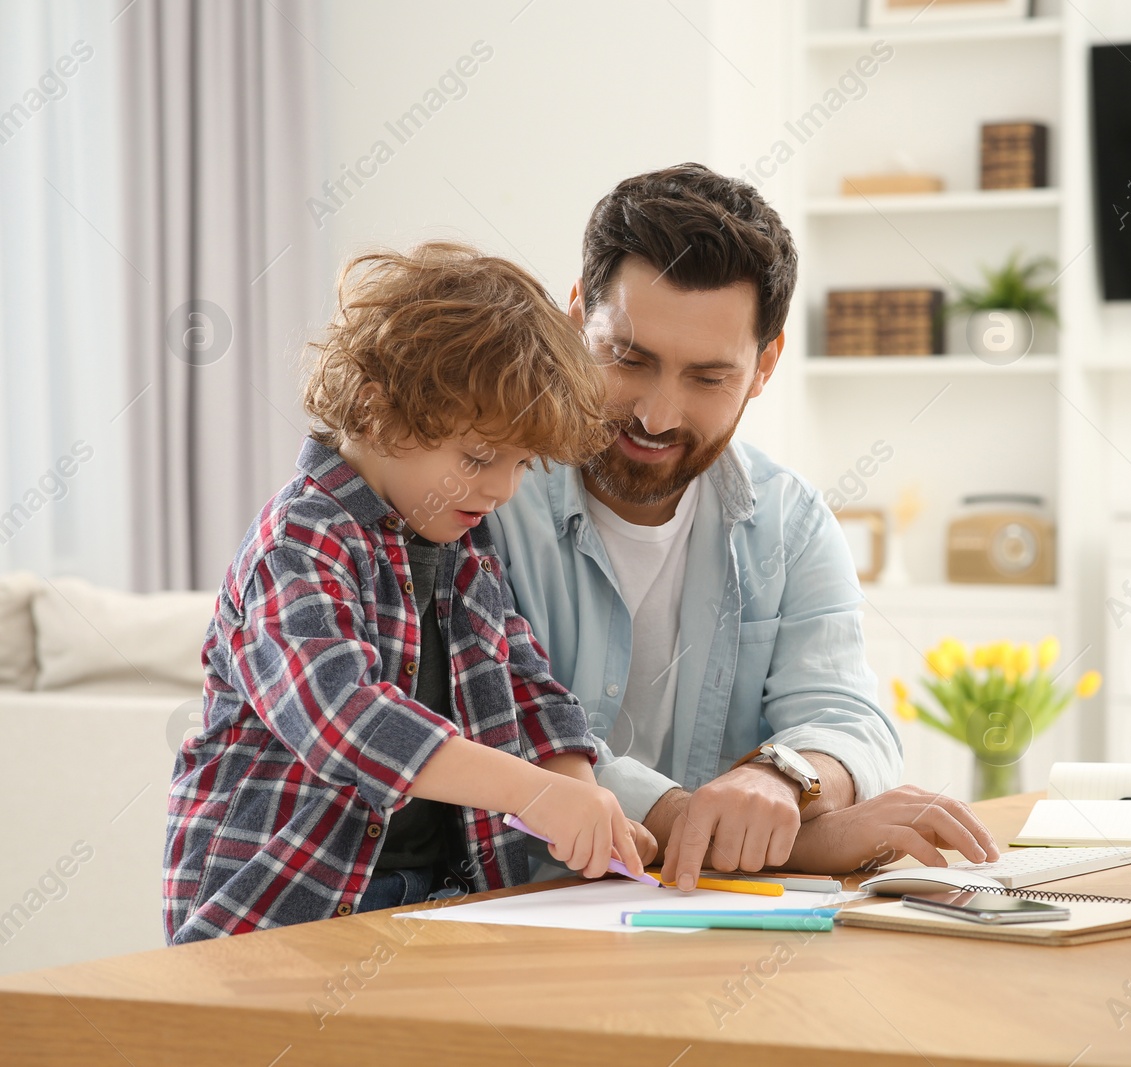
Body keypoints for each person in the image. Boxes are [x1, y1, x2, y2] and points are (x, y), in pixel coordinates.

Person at [487, 164, 1000, 891]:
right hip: (508, 920)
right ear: (576, 321)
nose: (657, 415)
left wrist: (782, 777)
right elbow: (495, 727)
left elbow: (847, 718)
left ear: (764, 366)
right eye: (628, 358)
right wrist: (780, 836)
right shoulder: (482, 499)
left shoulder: (789, 521)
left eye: (707, 378)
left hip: (712, 927)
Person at [164, 242, 648, 943]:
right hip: (276, 913)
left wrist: (582, 795)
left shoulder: (463, 540)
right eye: (479, 457)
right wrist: (535, 793)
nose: (502, 489)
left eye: (520, 463)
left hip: (443, 898)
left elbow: (525, 681)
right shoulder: (298, 539)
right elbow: (344, 719)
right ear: (377, 409)